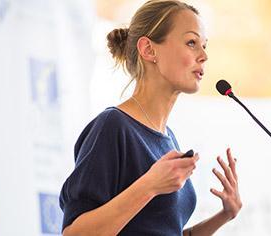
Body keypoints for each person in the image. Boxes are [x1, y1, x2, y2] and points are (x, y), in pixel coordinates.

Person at [59, 0, 242, 235]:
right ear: (148, 49)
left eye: (204, 45)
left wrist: (225, 215)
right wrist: (149, 186)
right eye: (191, 43)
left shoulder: (168, 138)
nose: (204, 55)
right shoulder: (113, 127)